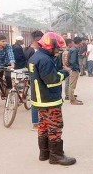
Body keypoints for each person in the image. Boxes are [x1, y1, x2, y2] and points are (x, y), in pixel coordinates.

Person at [28, 32, 76, 166]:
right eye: (57, 48)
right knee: (55, 126)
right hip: (49, 100)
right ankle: (56, 156)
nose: (59, 51)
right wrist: (65, 72)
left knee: (43, 125)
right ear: (51, 46)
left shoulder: (36, 57)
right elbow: (52, 80)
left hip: (39, 99)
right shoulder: (45, 60)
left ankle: (44, 153)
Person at [24, 30, 44, 131]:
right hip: (36, 78)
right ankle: (35, 124)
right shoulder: (33, 51)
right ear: (38, 39)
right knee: (36, 100)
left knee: (36, 100)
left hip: (35, 77)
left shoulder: (29, 49)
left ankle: (38, 122)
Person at [68, 37, 83, 105]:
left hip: (73, 68)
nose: (82, 44)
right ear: (79, 43)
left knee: (72, 85)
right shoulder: (75, 50)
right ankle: (72, 100)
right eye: (81, 42)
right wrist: (76, 68)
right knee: (72, 86)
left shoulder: (73, 49)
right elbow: (73, 61)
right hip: (74, 69)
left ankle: (73, 98)